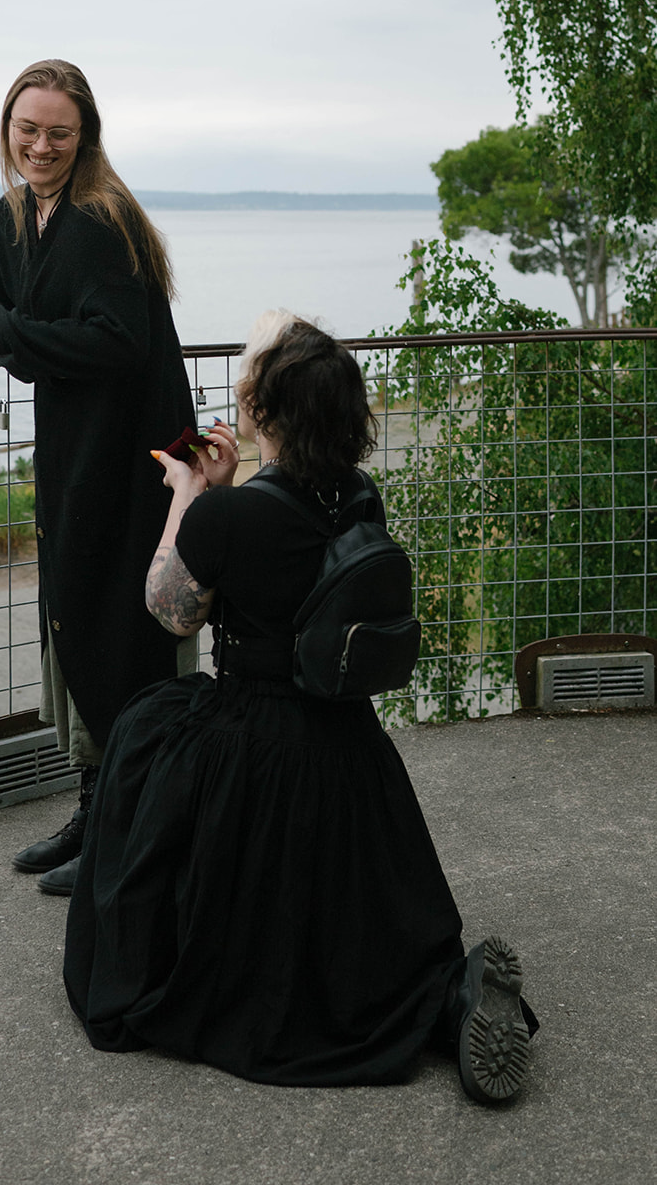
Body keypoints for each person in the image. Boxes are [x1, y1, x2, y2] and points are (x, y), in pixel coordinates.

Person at [63, 311, 538, 1099]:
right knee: (373, 947)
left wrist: (189, 494)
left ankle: (348, 997)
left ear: (264, 413)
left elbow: (168, 610)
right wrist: (230, 488)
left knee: (145, 733)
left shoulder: (228, 513)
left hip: (255, 747)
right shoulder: (358, 496)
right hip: (348, 745)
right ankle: (448, 998)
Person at [0, 58, 198, 895]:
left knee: (119, 635)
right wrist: (21, 332)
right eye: (27, 130)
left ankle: (127, 831)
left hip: (130, 456)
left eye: (57, 134)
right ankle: (95, 808)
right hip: (70, 448)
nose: (39, 145)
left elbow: (115, 344)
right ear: (8, 130)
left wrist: (20, 334)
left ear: (85, 136)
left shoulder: (101, 221)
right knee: (75, 621)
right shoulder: (14, 218)